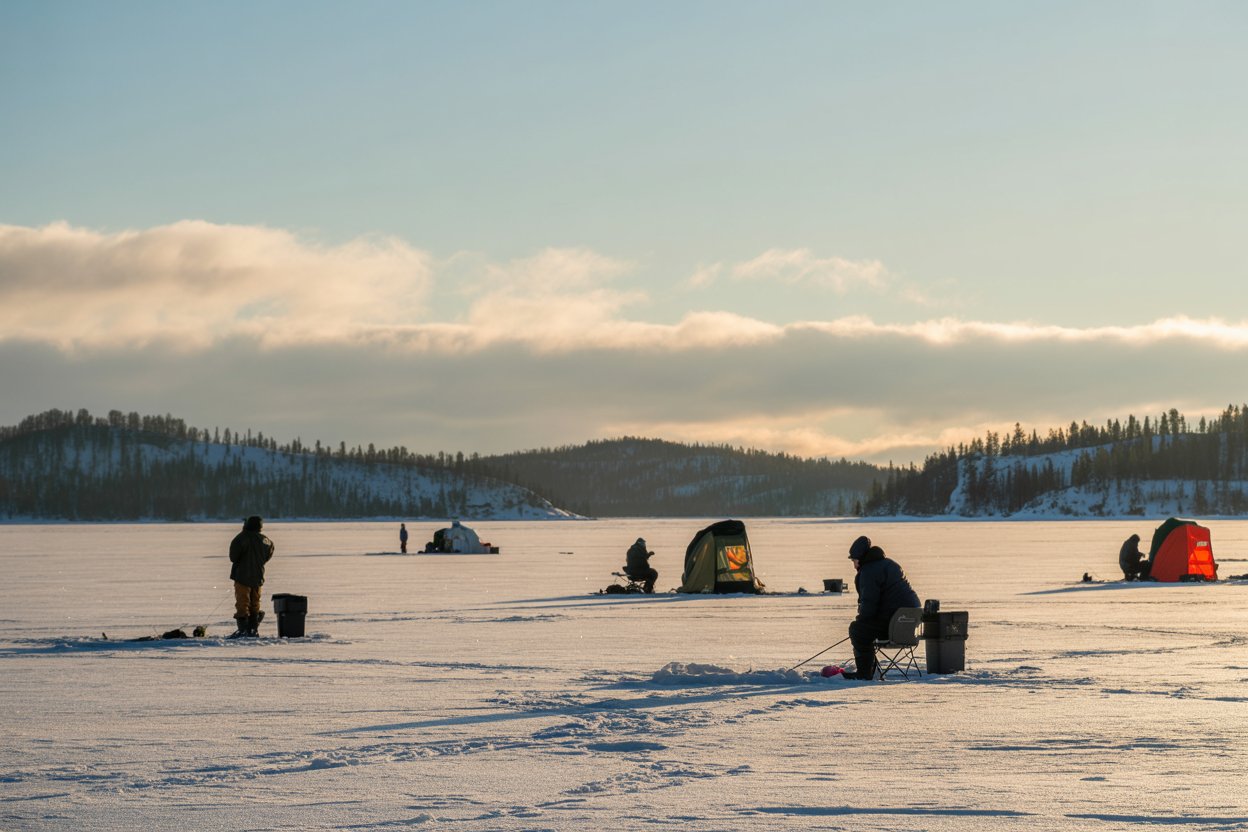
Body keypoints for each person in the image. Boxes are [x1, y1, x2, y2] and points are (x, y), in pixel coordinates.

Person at [846, 535, 920, 680]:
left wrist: (860, 622)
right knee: (862, 629)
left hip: (894, 622)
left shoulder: (868, 571)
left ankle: (864, 673)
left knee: (857, 630)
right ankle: (869, 669)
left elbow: (869, 603)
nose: (854, 565)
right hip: (910, 620)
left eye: (854, 561)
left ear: (860, 558)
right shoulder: (889, 564)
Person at [229, 515, 275, 638]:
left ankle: (243, 630)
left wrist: (244, 532)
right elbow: (268, 555)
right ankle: (253, 630)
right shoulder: (266, 540)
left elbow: (233, 557)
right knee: (255, 604)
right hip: (258, 576)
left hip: (242, 577)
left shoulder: (241, 538)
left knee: (242, 604)